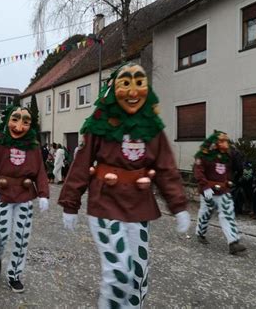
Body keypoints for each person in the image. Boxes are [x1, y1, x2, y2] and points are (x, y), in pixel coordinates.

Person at [58, 63, 190, 308]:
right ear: (113, 90)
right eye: (125, 84)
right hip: (105, 203)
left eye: (138, 83)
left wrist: (179, 204)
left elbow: (165, 167)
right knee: (120, 272)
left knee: (138, 275)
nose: (132, 92)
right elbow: (81, 164)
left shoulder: (151, 128)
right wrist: (70, 203)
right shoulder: (100, 124)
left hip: (139, 206)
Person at [0, 105, 49, 293]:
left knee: (21, 237)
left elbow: (40, 172)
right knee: (1, 236)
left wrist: (43, 194)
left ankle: (14, 275)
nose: (19, 127)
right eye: (15, 119)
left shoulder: (33, 147)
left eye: (25, 122)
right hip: (2, 195)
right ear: (8, 121)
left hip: (24, 196)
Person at [194, 130, 246, 255]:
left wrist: (229, 181)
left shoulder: (226, 156)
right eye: (222, 141)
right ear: (215, 143)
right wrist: (205, 187)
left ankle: (233, 242)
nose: (225, 144)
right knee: (206, 212)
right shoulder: (203, 155)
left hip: (223, 190)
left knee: (228, 213)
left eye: (226, 141)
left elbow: (229, 171)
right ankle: (200, 233)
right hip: (208, 190)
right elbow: (198, 172)